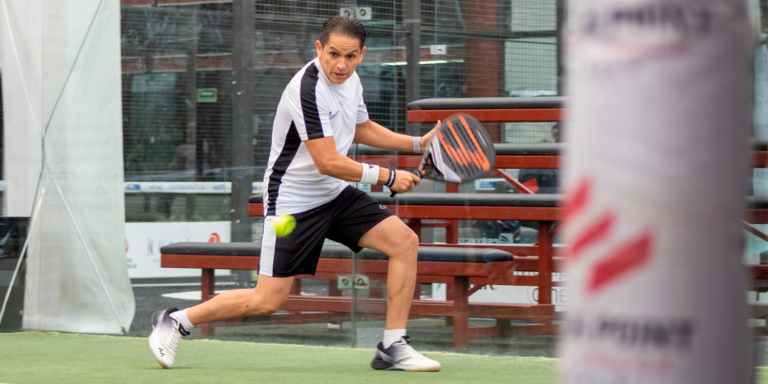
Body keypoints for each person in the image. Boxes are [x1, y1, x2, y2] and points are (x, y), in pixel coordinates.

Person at [148, 16, 442, 372]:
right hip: (292, 203)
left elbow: (360, 127)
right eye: (333, 53)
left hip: (334, 194)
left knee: (403, 242)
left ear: (362, 55)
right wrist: (387, 176)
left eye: (350, 57)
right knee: (267, 300)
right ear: (319, 48)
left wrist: (415, 143)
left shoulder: (350, 80)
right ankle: (177, 320)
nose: (340, 64)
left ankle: (393, 346)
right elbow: (327, 161)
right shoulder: (307, 88)